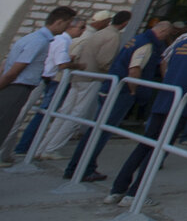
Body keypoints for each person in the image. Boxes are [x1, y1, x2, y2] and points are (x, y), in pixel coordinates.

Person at [106, 11, 187, 205]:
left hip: (164, 97)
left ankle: (117, 189)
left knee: (146, 143)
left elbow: (165, 62)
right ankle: (135, 194)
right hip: (182, 100)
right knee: (159, 148)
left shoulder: (182, 42)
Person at [67, 15, 172, 183]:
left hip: (111, 87)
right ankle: (83, 169)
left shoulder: (137, 38)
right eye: (166, 35)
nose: (165, 38)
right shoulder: (146, 44)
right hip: (120, 92)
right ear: (163, 31)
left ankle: (77, 166)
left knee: (97, 129)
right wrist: (133, 90)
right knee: (101, 132)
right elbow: (134, 69)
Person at [40, 10, 124, 159]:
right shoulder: (112, 36)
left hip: (78, 78)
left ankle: (43, 146)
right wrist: (110, 73)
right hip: (91, 78)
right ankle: (51, 148)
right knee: (76, 114)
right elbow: (104, 61)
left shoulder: (96, 34)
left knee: (63, 112)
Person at [0, 6, 77, 157]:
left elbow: (6, 64)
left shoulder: (33, 37)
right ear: (59, 22)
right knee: (4, 125)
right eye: (67, 24)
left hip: (15, 86)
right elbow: (16, 69)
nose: (68, 28)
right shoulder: (39, 41)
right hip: (17, 87)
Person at [13, 12, 87, 155]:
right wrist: (79, 66)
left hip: (42, 78)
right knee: (38, 113)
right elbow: (62, 64)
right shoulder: (63, 40)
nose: (82, 31)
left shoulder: (57, 39)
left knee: (31, 112)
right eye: (81, 27)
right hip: (44, 79)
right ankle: (23, 147)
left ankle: (21, 146)